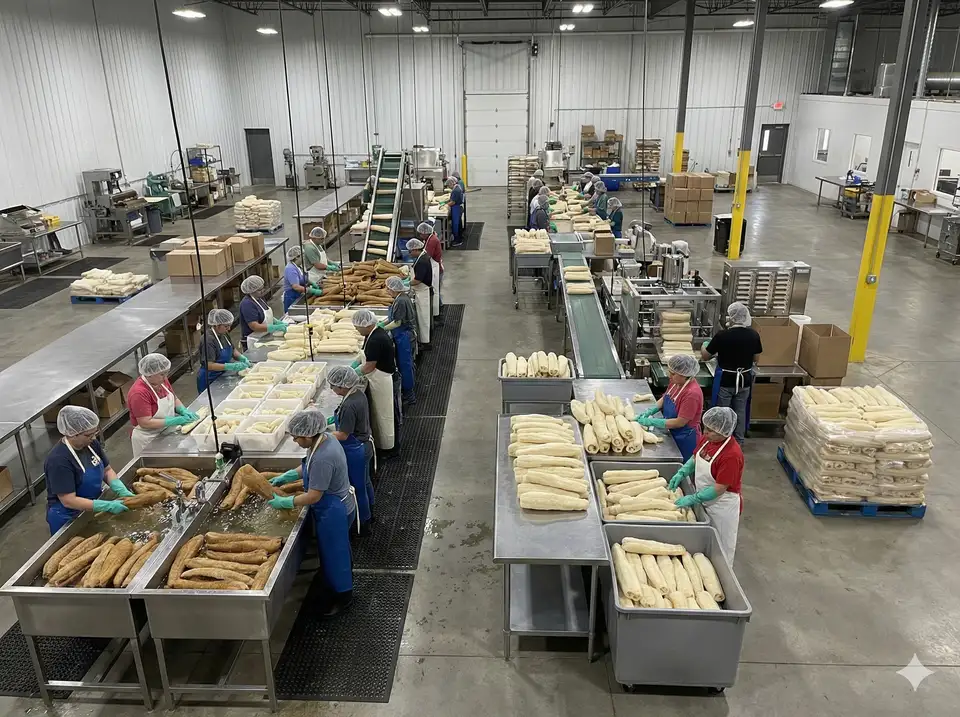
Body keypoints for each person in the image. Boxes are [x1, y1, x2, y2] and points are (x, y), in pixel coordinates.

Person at [267, 409, 355, 616]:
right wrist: (289, 475)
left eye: (296, 437)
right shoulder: (324, 439)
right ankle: (335, 581)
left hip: (334, 510)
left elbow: (314, 496)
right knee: (336, 551)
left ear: (307, 435)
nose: (295, 441)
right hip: (332, 506)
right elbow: (309, 464)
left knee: (336, 555)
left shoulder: (324, 456)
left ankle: (343, 598)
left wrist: (286, 502)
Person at [668, 407, 743, 564]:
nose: (705, 432)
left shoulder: (732, 455)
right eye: (705, 428)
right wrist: (682, 472)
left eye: (711, 431)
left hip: (722, 506)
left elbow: (719, 488)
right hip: (704, 496)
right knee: (702, 546)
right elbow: (696, 458)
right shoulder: (707, 439)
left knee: (720, 549)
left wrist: (694, 498)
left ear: (724, 432)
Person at [45, 406, 130, 534]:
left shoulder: (91, 444)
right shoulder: (59, 461)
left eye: (95, 433)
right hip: (67, 516)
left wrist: (119, 488)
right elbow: (69, 500)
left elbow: (107, 470)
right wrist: (106, 506)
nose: (94, 438)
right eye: (89, 435)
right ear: (73, 434)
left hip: (91, 506)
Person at [702, 302, 763, 444]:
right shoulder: (753, 335)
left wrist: (704, 346)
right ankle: (739, 441)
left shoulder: (722, 335)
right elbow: (756, 358)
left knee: (723, 412)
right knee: (740, 411)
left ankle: (722, 441)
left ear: (731, 317)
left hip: (727, 380)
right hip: (744, 380)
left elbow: (705, 356)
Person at [325, 366, 375, 534]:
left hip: (356, 450)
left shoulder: (349, 405)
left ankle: (363, 523)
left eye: (334, 386)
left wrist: (324, 434)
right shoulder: (358, 394)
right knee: (365, 481)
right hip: (365, 444)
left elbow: (344, 435)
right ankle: (370, 511)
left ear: (343, 385)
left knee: (357, 487)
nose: (332, 389)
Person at [634, 354, 703, 462]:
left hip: (684, 437)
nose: (669, 375)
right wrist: (651, 409)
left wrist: (653, 422)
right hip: (671, 432)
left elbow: (680, 422)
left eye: (673, 373)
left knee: (682, 468)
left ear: (684, 375)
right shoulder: (676, 382)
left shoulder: (692, 394)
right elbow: (666, 397)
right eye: (669, 371)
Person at [128, 353, 198, 456]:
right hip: (147, 438)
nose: (165, 377)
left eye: (166, 373)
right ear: (149, 374)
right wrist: (176, 420)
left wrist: (183, 410)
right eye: (162, 374)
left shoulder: (161, 380)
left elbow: (174, 398)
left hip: (165, 431)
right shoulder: (139, 393)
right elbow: (145, 422)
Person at [351, 310, 398, 455]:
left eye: (357, 326)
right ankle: (385, 445)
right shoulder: (373, 334)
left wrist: (353, 374)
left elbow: (369, 366)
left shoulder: (375, 339)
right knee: (381, 415)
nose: (356, 329)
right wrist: (356, 363)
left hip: (381, 381)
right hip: (378, 379)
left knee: (385, 416)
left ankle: (389, 449)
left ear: (365, 325)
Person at [197, 308, 249, 392]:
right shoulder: (208, 340)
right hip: (209, 378)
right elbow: (209, 365)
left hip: (222, 374)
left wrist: (242, 358)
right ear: (217, 325)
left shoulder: (224, 334)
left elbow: (232, 349)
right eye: (226, 326)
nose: (229, 328)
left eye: (229, 325)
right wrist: (231, 366)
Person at [383, 276, 417, 404]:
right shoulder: (400, 298)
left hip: (404, 337)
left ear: (393, 289)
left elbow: (397, 322)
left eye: (388, 288)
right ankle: (408, 390)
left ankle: (409, 395)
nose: (387, 290)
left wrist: (383, 328)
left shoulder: (401, 301)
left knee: (405, 366)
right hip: (402, 335)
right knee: (407, 364)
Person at [239, 275, 286, 350]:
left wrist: (276, 322)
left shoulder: (259, 298)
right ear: (252, 290)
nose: (263, 290)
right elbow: (254, 326)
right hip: (254, 340)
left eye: (262, 288)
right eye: (259, 290)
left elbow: (264, 315)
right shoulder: (247, 304)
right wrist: (274, 327)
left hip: (264, 336)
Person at [407, 238, 433, 349]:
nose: (409, 253)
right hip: (420, 290)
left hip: (422, 291)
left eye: (410, 251)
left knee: (423, 318)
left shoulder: (422, 261)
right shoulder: (422, 256)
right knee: (422, 317)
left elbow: (418, 280)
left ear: (416, 249)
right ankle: (423, 340)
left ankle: (425, 342)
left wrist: (407, 284)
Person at [282, 245, 321, 313]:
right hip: (291, 297)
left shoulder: (299, 266)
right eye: (302, 256)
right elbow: (296, 287)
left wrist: (312, 283)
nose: (304, 258)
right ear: (296, 257)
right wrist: (311, 290)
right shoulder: (290, 269)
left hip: (299, 294)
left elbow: (303, 277)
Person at [417, 221, 443, 313]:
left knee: (435, 290)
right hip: (435, 267)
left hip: (436, 269)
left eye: (420, 233)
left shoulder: (432, 241)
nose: (420, 235)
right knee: (436, 290)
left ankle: (437, 310)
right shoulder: (430, 238)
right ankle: (439, 306)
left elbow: (427, 256)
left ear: (425, 233)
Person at [447, 176, 465, 246]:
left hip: (456, 209)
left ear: (452, 183)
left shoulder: (456, 190)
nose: (448, 187)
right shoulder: (457, 187)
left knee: (456, 225)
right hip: (457, 208)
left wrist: (446, 205)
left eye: (449, 185)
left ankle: (457, 240)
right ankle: (459, 237)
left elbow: (453, 202)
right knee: (458, 224)